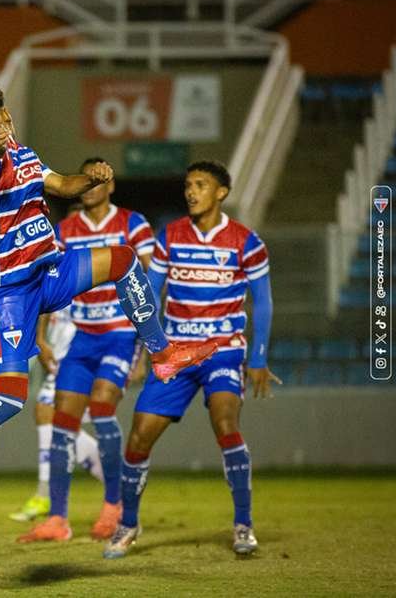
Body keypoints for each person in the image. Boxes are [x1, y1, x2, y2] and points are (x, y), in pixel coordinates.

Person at [0, 82, 218, 517]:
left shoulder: (26, 154)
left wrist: (89, 179)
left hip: (49, 272)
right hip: (8, 292)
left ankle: (161, 352)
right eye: (3, 115)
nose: (10, 119)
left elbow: (62, 185)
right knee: (11, 400)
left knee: (124, 260)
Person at [103, 160, 280, 559]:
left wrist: (259, 357)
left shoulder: (245, 241)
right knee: (139, 435)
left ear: (221, 193)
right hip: (176, 353)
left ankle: (243, 524)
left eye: (200, 184)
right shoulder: (171, 236)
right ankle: (128, 524)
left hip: (222, 350)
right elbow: (149, 294)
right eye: (187, 185)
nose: (191, 191)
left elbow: (264, 301)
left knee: (225, 422)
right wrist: (141, 351)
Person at [18, 158, 155, 543]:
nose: (93, 185)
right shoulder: (65, 230)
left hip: (120, 335)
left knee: (103, 408)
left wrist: (144, 348)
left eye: (101, 179)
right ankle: (58, 519)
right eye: (88, 179)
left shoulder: (132, 224)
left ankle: (115, 506)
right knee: (62, 422)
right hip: (82, 337)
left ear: (111, 186)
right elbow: (49, 283)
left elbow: (151, 281)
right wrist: (40, 337)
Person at [9, 305, 105, 523]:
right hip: (61, 353)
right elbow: (47, 298)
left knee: (50, 414)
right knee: (52, 417)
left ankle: (115, 487)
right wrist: (41, 338)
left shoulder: (96, 274)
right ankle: (116, 485)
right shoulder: (56, 272)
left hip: (85, 355)